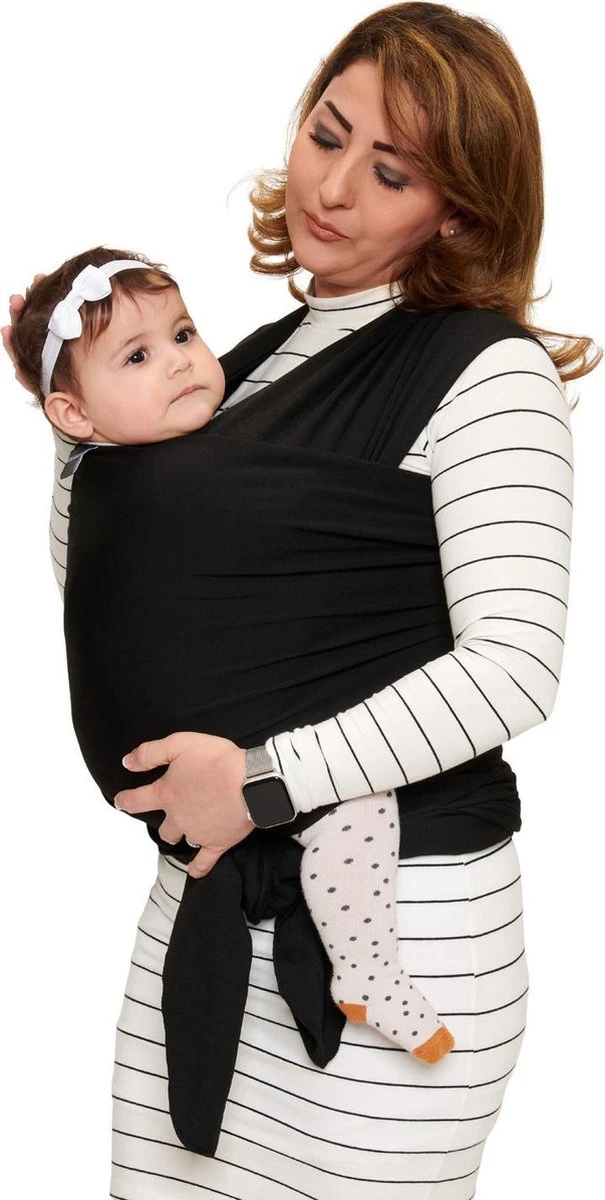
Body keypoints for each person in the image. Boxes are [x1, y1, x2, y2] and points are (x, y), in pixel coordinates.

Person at [3, 3, 600, 1197]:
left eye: (391, 172)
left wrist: (259, 782)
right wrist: (78, 413)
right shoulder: (242, 363)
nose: (330, 188)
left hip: (402, 939)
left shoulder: (487, 374)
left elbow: (513, 669)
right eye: (326, 134)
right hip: (201, 923)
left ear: (456, 209)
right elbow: (123, 596)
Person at [12, 245, 454, 1064]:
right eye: (137, 357)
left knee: (349, 801)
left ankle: (358, 964)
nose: (179, 361)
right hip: (188, 736)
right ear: (73, 416)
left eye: (183, 334)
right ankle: (366, 969)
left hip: (226, 733)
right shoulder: (113, 480)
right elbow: (88, 587)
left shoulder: (211, 441)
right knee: (357, 804)